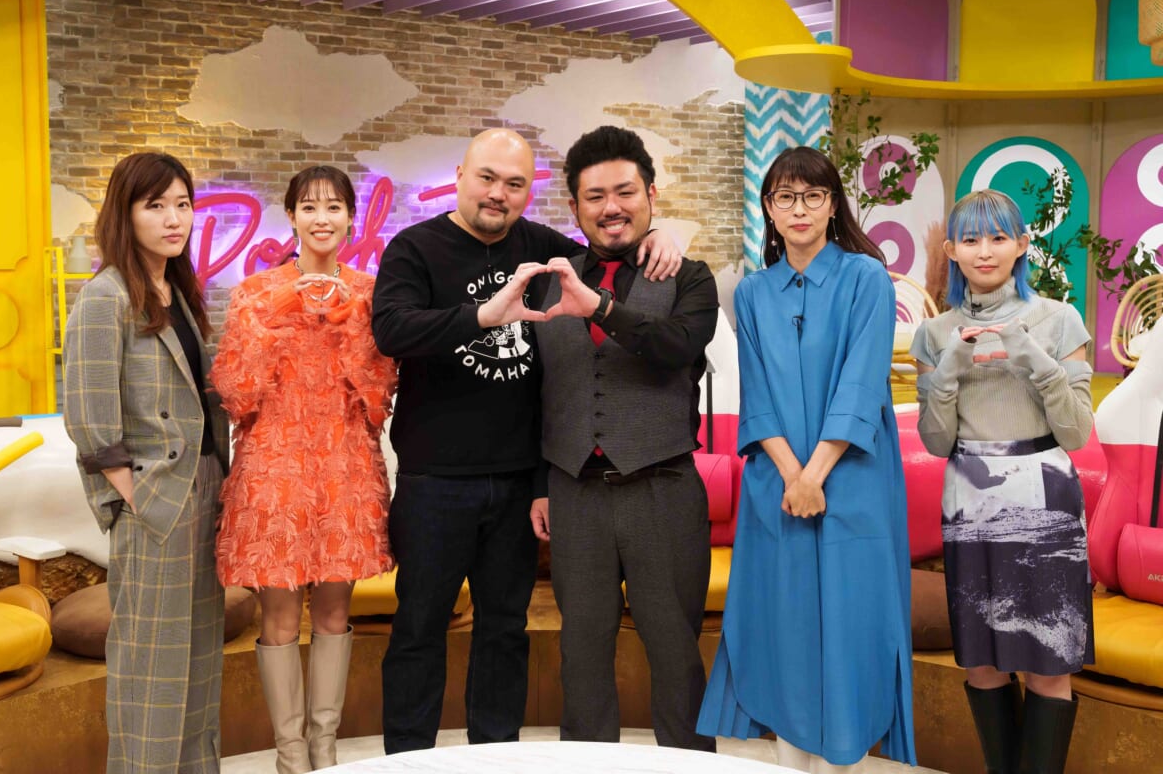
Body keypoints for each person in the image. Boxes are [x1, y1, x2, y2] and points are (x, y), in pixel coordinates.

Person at [371, 127, 681, 754]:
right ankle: (406, 761)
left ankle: (495, 755)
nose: (498, 194)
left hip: (518, 482)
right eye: (487, 178)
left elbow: (607, 246)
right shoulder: (415, 248)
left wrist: (662, 235)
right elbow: (392, 329)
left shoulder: (539, 246)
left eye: (514, 184)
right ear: (460, 176)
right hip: (434, 481)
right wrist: (484, 316)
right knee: (419, 629)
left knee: (505, 631)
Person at [697, 146, 917, 773]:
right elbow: (758, 396)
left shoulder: (867, 278)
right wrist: (793, 478)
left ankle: (845, 761)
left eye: (813, 195)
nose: (800, 209)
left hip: (853, 480)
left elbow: (861, 385)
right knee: (782, 626)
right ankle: (790, 761)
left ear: (832, 205)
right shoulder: (751, 292)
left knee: (853, 626)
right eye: (785, 197)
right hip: (778, 483)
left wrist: (815, 475)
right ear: (768, 208)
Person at [527, 126, 718, 749]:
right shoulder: (546, 280)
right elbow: (539, 395)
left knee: (676, 652)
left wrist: (601, 308)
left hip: (662, 488)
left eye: (625, 192)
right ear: (575, 207)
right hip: (573, 491)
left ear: (651, 195)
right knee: (581, 655)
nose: (612, 207)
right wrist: (540, 485)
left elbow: (677, 346)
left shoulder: (690, 278)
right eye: (595, 196)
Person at [211, 165, 397, 773]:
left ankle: (326, 748)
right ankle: (290, 756)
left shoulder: (371, 293)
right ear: (290, 216)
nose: (323, 219)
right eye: (310, 207)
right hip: (274, 471)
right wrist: (276, 317)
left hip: (345, 468)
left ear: (351, 218)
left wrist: (352, 328)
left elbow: (380, 398)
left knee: (337, 613)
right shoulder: (254, 293)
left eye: (335, 207)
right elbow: (236, 393)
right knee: (280, 617)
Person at [911, 189, 1093, 774]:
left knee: (1048, 660)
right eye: (971, 239)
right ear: (952, 251)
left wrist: (1035, 359)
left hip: (1046, 495)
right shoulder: (934, 333)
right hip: (969, 499)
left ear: (1021, 245)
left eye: (998, 237)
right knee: (981, 663)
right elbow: (937, 441)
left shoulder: (1059, 319)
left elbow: (1077, 434)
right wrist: (946, 374)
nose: (984, 251)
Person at [63, 152, 231, 774]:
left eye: (182, 204)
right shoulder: (104, 297)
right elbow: (89, 417)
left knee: (199, 661)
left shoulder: (178, 291)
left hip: (205, 487)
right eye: (155, 205)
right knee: (151, 669)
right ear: (125, 214)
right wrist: (135, 499)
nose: (173, 218)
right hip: (156, 499)